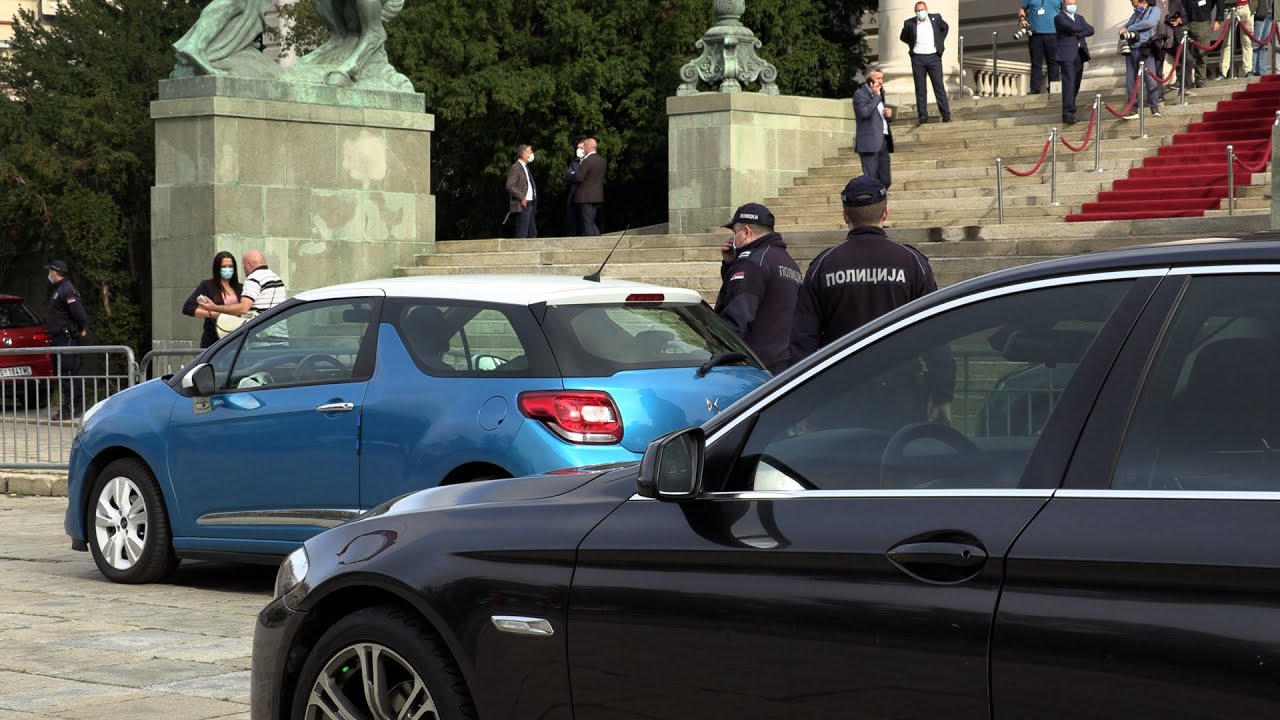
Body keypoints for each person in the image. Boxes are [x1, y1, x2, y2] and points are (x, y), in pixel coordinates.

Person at [789, 176, 952, 422]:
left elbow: (802, 341)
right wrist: (943, 397)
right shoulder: (912, 263)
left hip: (838, 397)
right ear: (885, 213)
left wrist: (803, 403)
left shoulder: (823, 265)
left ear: (845, 216)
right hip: (901, 395)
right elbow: (935, 335)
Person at [713, 203, 803, 374]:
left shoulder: (753, 262)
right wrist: (730, 265)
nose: (733, 239)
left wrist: (717, 351)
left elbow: (737, 317)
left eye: (734, 233)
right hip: (782, 360)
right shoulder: (788, 262)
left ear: (746, 232)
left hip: (756, 364)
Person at [44, 260, 87, 422]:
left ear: (55, 272)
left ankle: (70, 408)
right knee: (64, 374)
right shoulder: (60, 289)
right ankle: (73, 406)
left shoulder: (66, 290)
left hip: (66, 338)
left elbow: (79, 313)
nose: (48, 274)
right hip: (59, 338)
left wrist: (82, 327)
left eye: (50, 271)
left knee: (67, 373)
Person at [900, 1, 952, 124]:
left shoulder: (936, 18)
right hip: (918, 59)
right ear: (915, 12)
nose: (920, 12)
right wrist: (912, 45)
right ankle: (923, 116)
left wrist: (939, 43)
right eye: (918, 10)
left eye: (922, 10)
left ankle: (946, 115)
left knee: (939, 86)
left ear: (926, 9)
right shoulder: (909, 23)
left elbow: (945, 28)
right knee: (920, 89)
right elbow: (903, 37)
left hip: (934, 57)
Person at [197, 249, 286, 319]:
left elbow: (243, 308)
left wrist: (214, 308)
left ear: (249, 264)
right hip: (279, 331)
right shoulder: (277, 279)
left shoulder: (253, 279)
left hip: (262, 335)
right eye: (224, 267)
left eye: (243, 265)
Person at [182, 252, 243, 349]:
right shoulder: (207, 286)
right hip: (214, 336)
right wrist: (214, 315)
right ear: (217, 268)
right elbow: (188, 308)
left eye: (230, 266)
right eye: (224, 266)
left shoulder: (240, 288)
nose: (227, 269)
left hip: (237, 335)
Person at [1120, 0, 1164, 119]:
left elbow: (1150, 23)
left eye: (1136, 5)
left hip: (1145, 48)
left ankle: (1154, 107)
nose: (1135, 8)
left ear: (1143, 2)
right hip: (1131, 49)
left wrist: (1131, 28)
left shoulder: (1154, 10)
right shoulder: (1136, 14)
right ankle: (1133, 109)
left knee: (1150, 79)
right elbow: (1128, 24)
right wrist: (1124, 28)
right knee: (1130, 81)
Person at [854, 67, 895, 190]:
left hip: (883, 140)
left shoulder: (880, 93)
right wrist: (876, 97)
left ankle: (880, 203)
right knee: (871, 181)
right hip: (869, 143)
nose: (881, 81)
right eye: (878, 78)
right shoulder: (860, 94)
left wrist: (889, 115)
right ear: (869, 79)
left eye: (882, 78)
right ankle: (874, 206)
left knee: (886, 180)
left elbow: (878, 117)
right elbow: (864, 113)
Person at [1055, 2, 1095, 124]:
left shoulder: (1079, 17)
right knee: (1069, 83)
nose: (1073, 5)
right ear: (1064, 5)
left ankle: (1071, 106)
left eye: (1074, 3)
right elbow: (1071, 28)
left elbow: (1091, 29)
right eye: (1070, 3)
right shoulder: (1059, 17)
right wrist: (1079, 30)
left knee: (1076, 83)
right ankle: (1067, 112)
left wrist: (1078, 34)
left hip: (1079, 54)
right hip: (1066, 54)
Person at [1019, 0, 1064, 94]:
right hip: (1035, 34)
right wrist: (1022, 19)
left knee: (1054, 62)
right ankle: (1035, 88)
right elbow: (1022, 8)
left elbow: (1066, 9)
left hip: (1054, 33)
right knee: (1036, 62)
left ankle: (1053, 86)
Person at [1187, 0, 1225, 86]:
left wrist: (1218, 19)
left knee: (1201, 52)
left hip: (1202, 20)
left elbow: (1219, 1)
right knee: (1183, 52)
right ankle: (1183, 78)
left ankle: (1200, 78)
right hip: (1185, 19)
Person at [505, 145, 538, 239]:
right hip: (523, 204)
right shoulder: (516, 167)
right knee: (522, 233)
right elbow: (510, 185)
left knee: (533, 233)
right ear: (523, 155)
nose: (532, 154)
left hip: (530, 204)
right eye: (530, 152)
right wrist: (522, 197)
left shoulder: (525, 167)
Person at [575, 138, 606, 236]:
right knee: (591, 221)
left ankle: (593, 244)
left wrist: (573, 175)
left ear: (588, 147)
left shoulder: (587, 161)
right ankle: (598, 239)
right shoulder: (602, 160)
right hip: (597, 195)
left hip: (585, 196)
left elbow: (579, 178)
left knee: (587, 223)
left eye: (584, 146)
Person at [1220, 0, 1257, 79]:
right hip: (1231, 8)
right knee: (1227, 42)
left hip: (1247, 7)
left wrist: (1254, 7)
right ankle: (1223, 72)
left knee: (1247, 41)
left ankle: (1248, 70)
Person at [563, 138, 586, 236]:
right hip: (574, 196)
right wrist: (578, 175)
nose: (578, 150)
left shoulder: (590, 162)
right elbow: (567, 176)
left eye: (580, 148)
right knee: (572, 220)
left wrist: (575, 174)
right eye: (577, 148)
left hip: (586, 196)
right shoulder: (574, 163)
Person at [1254, 0, 1274, 74]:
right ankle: (1253, 70)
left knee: (1264, 45)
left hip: (1270, 15)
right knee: (1255, 44)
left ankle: (1262, 71)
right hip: (1260, 13)